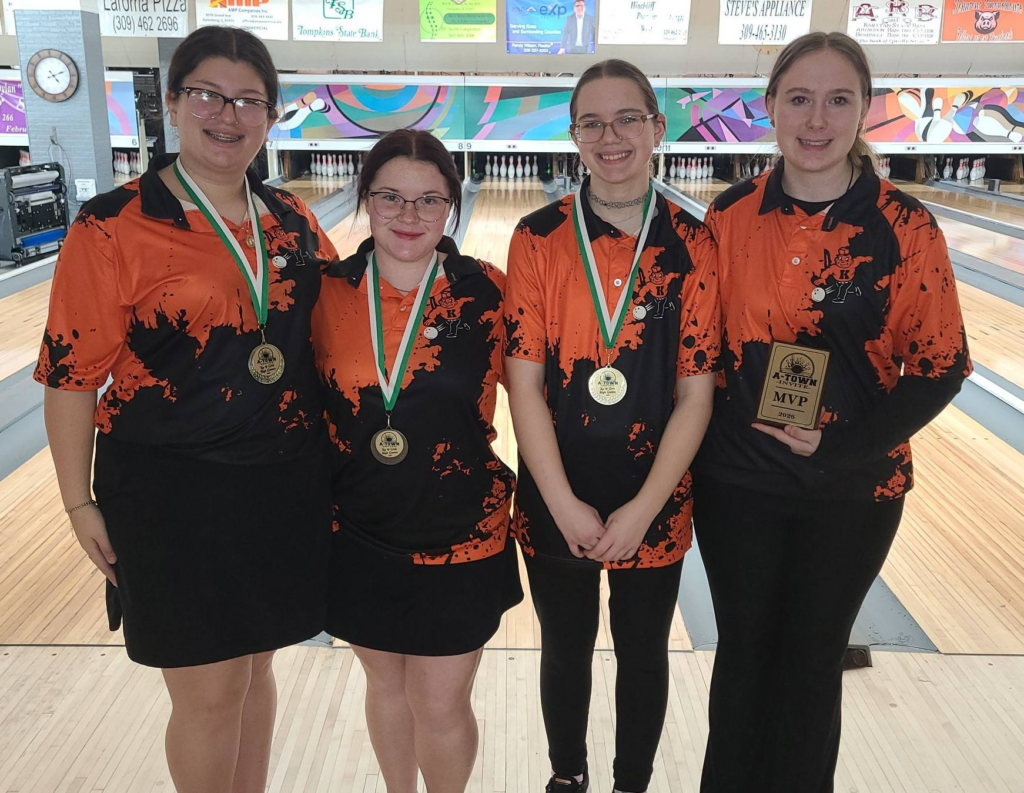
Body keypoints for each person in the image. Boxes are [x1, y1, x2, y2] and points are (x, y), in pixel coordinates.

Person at [34, 26, 337, 793]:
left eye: (249, 100)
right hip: (171, 492)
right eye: (207, 95)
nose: (227, 115)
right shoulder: (112, 224)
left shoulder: (290, 219)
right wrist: (77, 500)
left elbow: (342, 328)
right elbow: (70, 375)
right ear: (172, 103)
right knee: (209, 692)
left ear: (271, 116)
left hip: (282, 483)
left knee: (257, 667)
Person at [693, 32, 972, 793]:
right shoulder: (729, 216)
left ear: (864, 109)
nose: (816, 119)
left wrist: (842, 443)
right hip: (738, 481)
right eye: (800, 99)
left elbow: (942, 368)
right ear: (770, 106)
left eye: (838, 100)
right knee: (744, 658)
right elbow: (698, 355)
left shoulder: (905, 227)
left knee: (812, 663)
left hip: (854, 488)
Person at [504, 60, 719, 793]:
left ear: (658, 128)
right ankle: (567, 778)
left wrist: (645, 509)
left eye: (628, 118)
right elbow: (522, 382)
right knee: (564, 650)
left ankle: (632, 784)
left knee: (643, 653)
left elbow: (696, 395)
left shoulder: (694, 244)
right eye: (591, 123)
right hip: (554, 494)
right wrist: (563, 503)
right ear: (574, 136)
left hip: (653, 497)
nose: (611, 136)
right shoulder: (537, 238)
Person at [312, 128, 522, 793]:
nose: (409, 215)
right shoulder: (325, 293)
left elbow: (543, 402)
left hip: (464, 532)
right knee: (385, 684)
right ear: (365, 199)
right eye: (391, 197)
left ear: (452, 205)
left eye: (430, 199)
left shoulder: (487, 292)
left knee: (440, 700)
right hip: (357, 529)